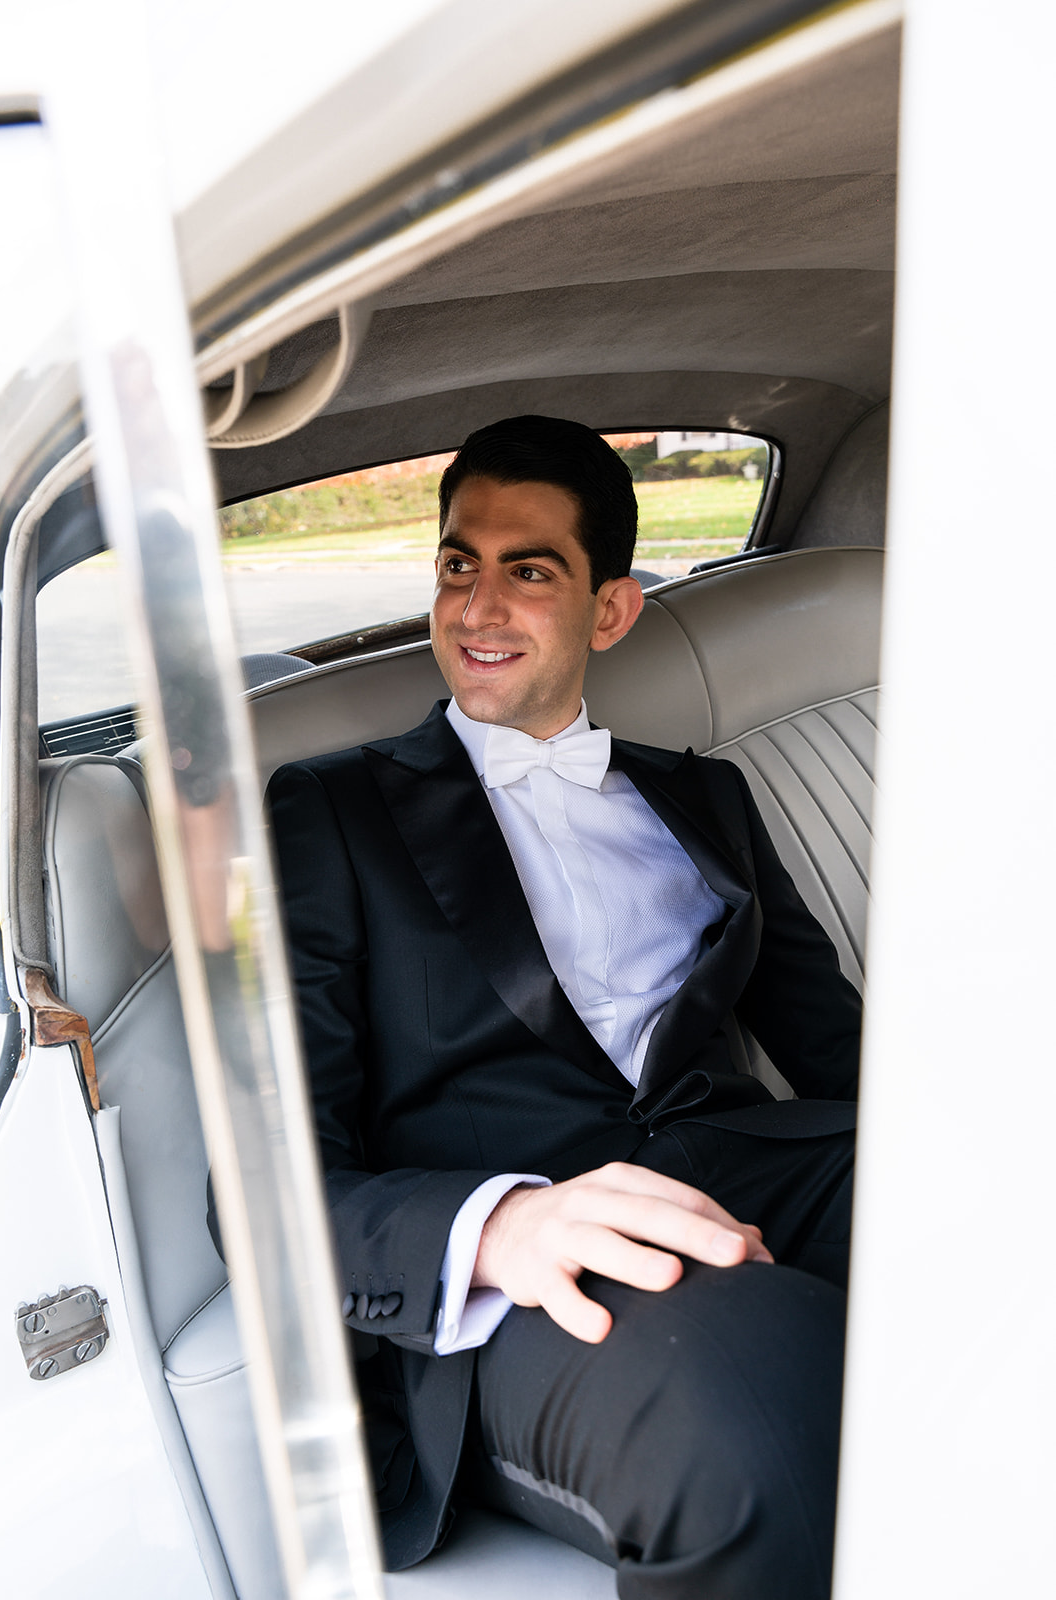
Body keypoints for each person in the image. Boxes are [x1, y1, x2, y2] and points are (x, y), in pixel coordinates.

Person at [264, 416, 860, 1599]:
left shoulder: (705, 794)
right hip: (532, 1244)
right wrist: (491, 1228)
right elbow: (270, 1160)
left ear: (609, 611)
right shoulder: (330, 810)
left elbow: (838, 1046)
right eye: (455, 564)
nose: (476, 607)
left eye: (527, 570)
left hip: (750, 1160)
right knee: (750, 1393)